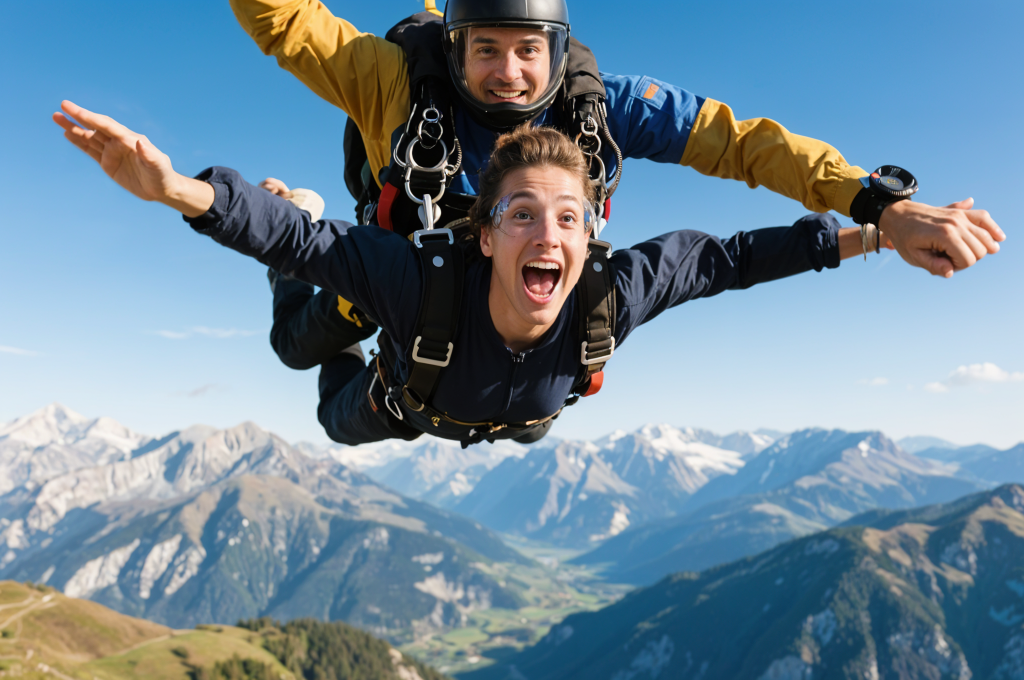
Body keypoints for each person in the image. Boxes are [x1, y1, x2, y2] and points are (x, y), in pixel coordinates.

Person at [52, 102, 1004, 447]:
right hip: (398, 400)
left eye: (568, 218)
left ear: (590, 238)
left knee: (517, 425)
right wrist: (174, 187)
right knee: (307, 371)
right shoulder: (423, 278)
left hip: (516, 419)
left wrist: (878, 235)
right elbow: (294, 246)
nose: (547, 233)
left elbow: (732, 260)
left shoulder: (611, 293)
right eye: (520, 215)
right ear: (485, 236)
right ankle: (316, 220)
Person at [229, 0, 1005, 379]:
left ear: (558, 50)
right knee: (299, 349)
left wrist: (880, 204)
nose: (508, 72)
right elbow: (281, 20)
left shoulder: (602, 110)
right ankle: (294, 231)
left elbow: (743, 143)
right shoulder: (392, 81)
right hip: (400, 275)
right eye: (485, 50)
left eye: (529, 49)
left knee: (528, 408)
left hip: (521, 310)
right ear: (453, 48)